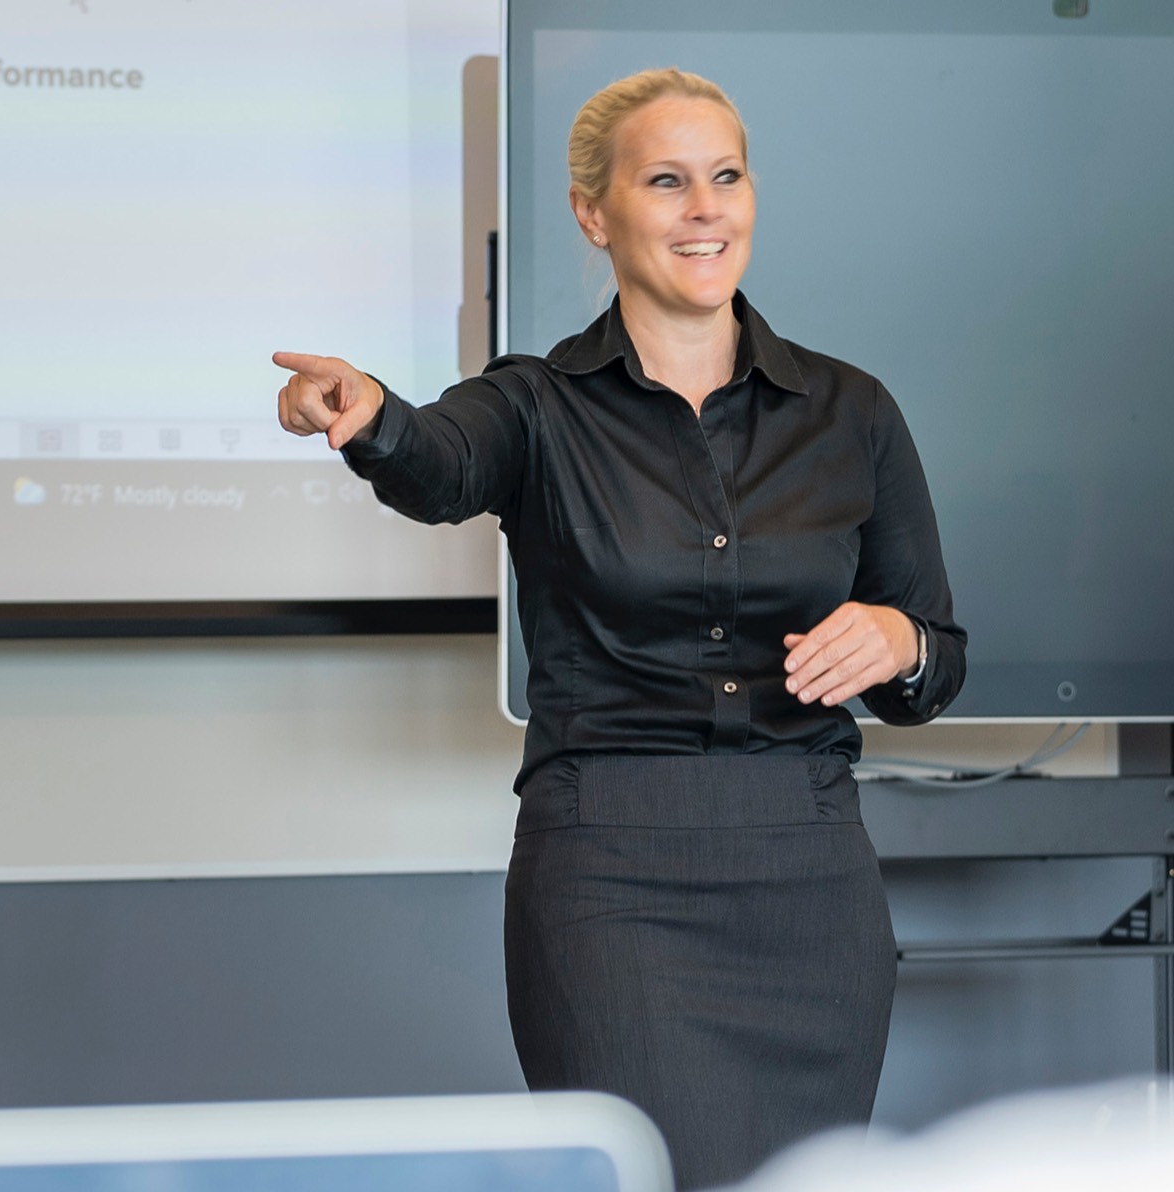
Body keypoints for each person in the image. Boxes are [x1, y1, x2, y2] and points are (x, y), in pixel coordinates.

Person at [273, 67, 966, 1191]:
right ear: (595, 214)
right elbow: (439, 467)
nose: (706, 208)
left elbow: (935, 658)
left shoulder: (853, 411)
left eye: (725, 177)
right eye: (666, 180)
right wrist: (369, 417)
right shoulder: (535, 404)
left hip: (810, 873)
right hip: (611, 873)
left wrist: (897, 640)